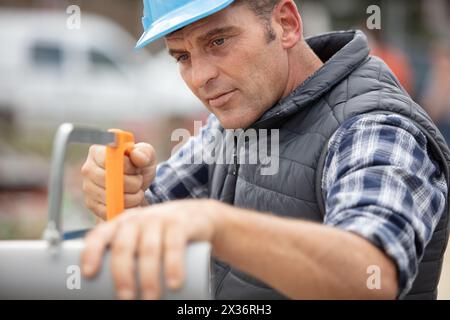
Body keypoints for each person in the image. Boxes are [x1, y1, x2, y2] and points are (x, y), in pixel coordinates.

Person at [80, 0, 450, 300]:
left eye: (218, 42)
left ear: (286, 24)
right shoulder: (235, 124)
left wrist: (216, 225)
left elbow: (370, 275)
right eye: (182, 57)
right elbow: (152, 226)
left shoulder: (374, 127)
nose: (199, 77)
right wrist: (124, 196)